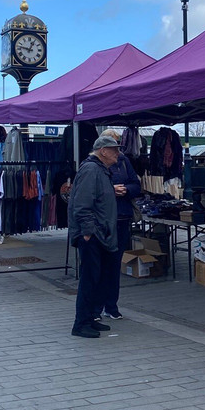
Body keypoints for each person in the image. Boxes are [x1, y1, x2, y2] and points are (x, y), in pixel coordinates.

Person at [67, 135, 121, 338]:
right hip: (93, 235)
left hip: (100, 234)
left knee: (98, 278)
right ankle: (81, 324)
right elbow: (82, 204)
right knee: (89, 279)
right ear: (103, 151)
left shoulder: (100, 170)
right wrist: (88, 232)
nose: (118, 153)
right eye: (114, 149)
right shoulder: (91, 169)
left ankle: (89, 318)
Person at [99, 129, 142, 320]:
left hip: (122, 217)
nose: (117, 150)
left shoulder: (124, 161)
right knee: (101, 264)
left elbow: (136, 184)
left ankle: (111, 305)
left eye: (117, 144)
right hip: (104, 220)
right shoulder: (94, 165)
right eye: (113, 145)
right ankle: (96, 306)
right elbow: (91, 191)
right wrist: (111, 190)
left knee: (115, 263)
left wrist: (126, 189)